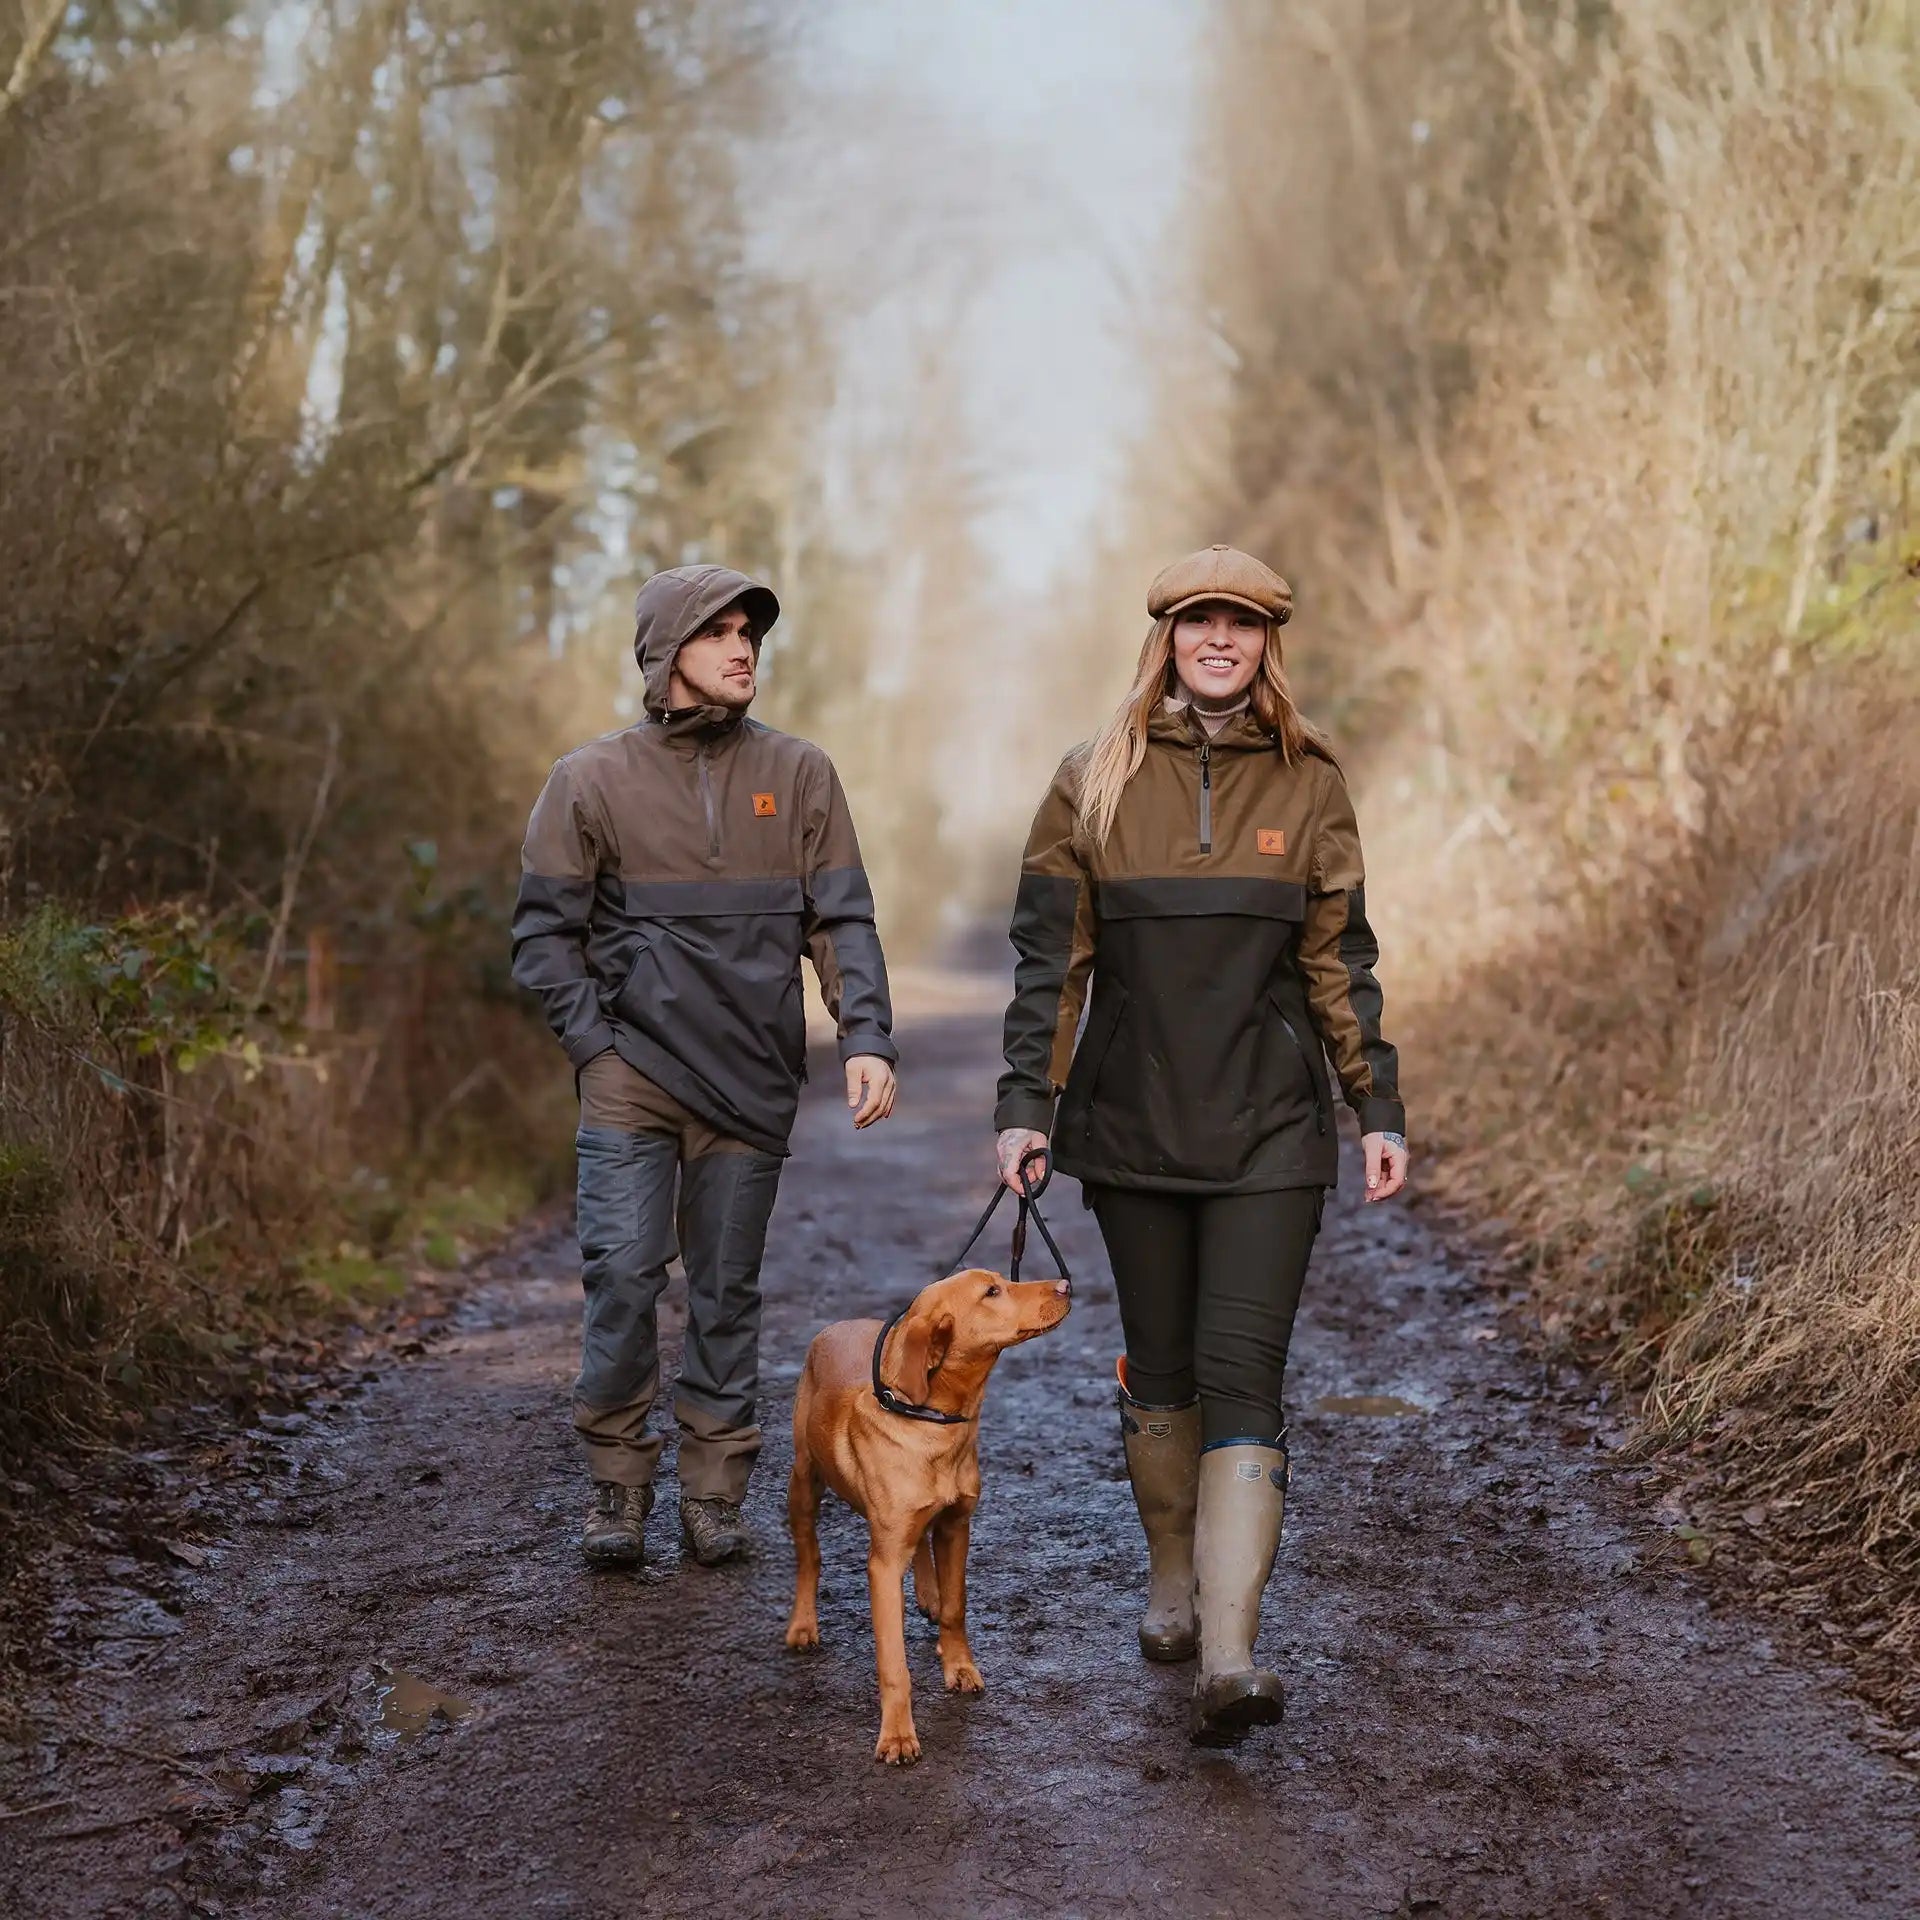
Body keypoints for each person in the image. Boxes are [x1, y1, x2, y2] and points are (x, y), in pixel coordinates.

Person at [993, 544, 1407, 1745]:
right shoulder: (1094, 779)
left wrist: (1374, 1107)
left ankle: (1230, 1650)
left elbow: (1343, 964)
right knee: (1159, 1366)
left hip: (1272, 1132)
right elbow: (1049, 961)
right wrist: (1027, 1104)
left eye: (1241, 624)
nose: (1219, 640)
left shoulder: (1312, 781)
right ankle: (1170, 1578)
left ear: (1268, 642)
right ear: (1166, 637)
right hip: (1130, 1126)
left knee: (1245, 1372)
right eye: (1196, 621)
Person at [512, 564, 899, 1570]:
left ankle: (715, 1491)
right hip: (631, 1075)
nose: (743, 650)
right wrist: (594, 1043)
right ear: (665, 652)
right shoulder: (589, 780)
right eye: (719, 632)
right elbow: (542, 938)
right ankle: (617, 1485)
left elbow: (840, 921)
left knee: (727, 1291)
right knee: (623, 1278)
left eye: (751, 634)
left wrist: (865, 1037)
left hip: (752, 1079)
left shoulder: (803, 774)